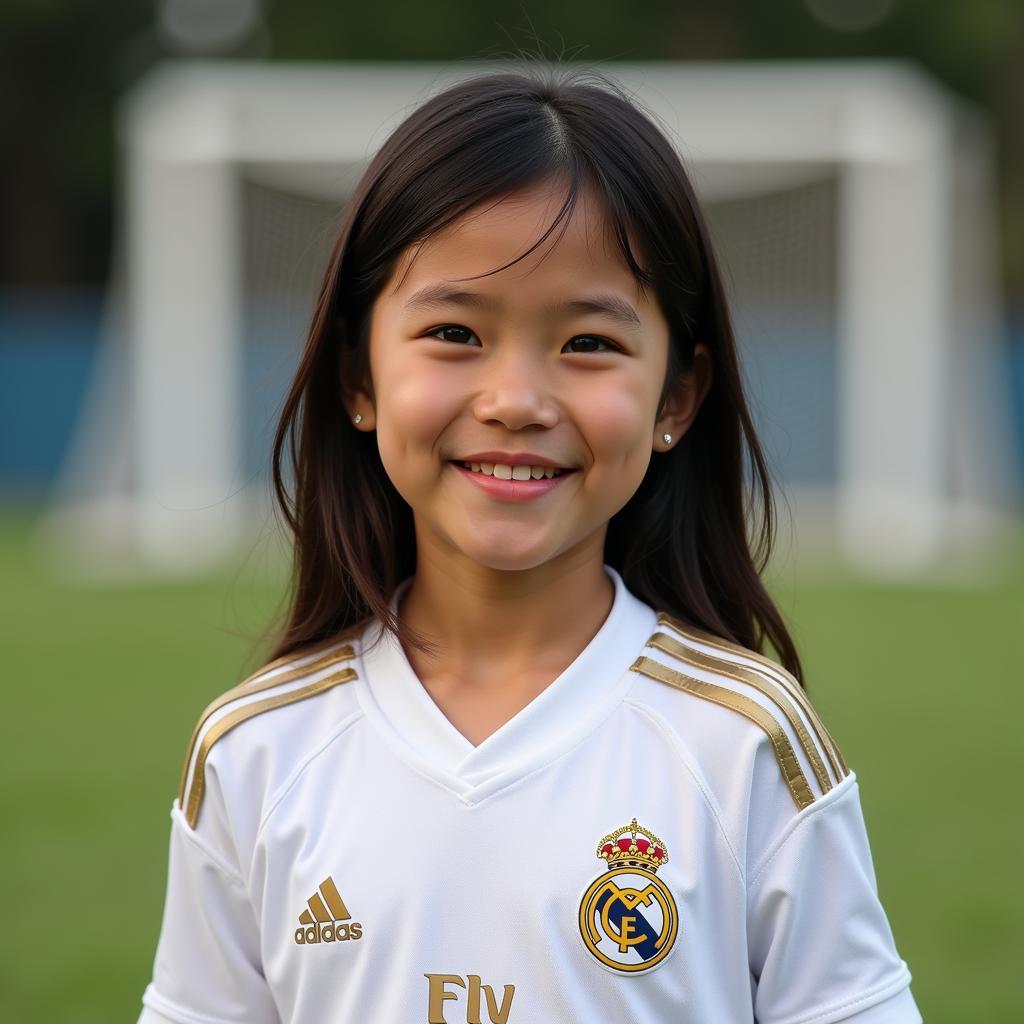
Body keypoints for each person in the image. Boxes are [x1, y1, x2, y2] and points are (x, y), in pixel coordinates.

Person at [137, 63, 922, 1024]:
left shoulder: (746, 744)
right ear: (359, 375)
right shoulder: (256, 750)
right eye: (456, 331)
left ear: (676, 395)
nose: (515, 401)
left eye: (588, 343)